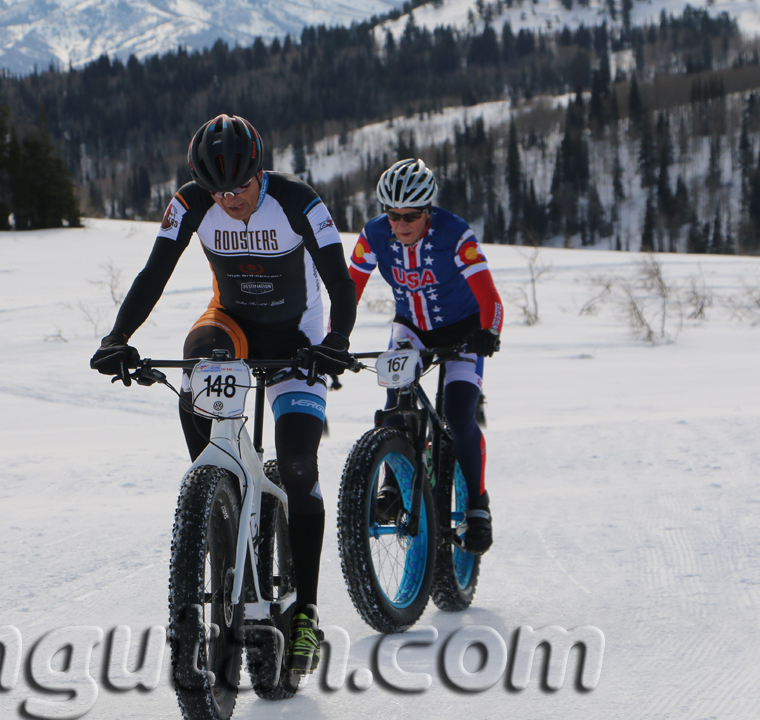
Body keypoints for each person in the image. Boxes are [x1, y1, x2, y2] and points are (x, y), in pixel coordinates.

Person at [90, 113, 356, 676]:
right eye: (220, 190)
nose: (231, 199)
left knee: (300, 468)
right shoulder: (190, 204)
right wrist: (119, 336)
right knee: (196, 363)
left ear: (261, 172)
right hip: (231, 325)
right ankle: (221, 496)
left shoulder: (299, 202)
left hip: (298, 341)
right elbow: (153, 272)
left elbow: (339, 281)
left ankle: (305, 614)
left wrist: (336, 340)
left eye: (241, 186)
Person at [348, 158, 502, 553]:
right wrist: (335, 338)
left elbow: (490, 297)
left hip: (465, 329)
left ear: (428, 210)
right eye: (392, 215)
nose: (399, 226)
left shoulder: (455, 234)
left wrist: (489, 332)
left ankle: (478, 503)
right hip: (412, 327)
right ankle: (392, 482)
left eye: (410, 217)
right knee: (395, 405)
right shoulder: (374, 235)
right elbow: (349, 290)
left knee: (458, 411)